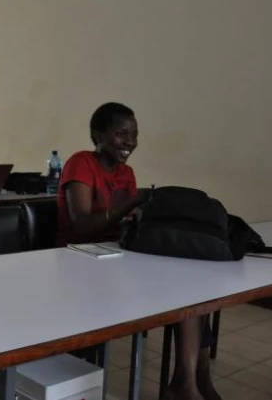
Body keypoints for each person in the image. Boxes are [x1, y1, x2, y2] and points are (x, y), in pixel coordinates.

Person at [57, 102, 221, 400]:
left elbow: (124, 223)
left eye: (134, 134)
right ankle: (186, 385)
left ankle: (194, 378)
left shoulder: (126, 172)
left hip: (116, 260)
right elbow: (82, 226)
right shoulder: (81, 163)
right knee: (185, 292)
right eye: (121, 134)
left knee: (196, 289)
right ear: (98, 135)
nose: (130, 142)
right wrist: (133, 201)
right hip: (78, 263)